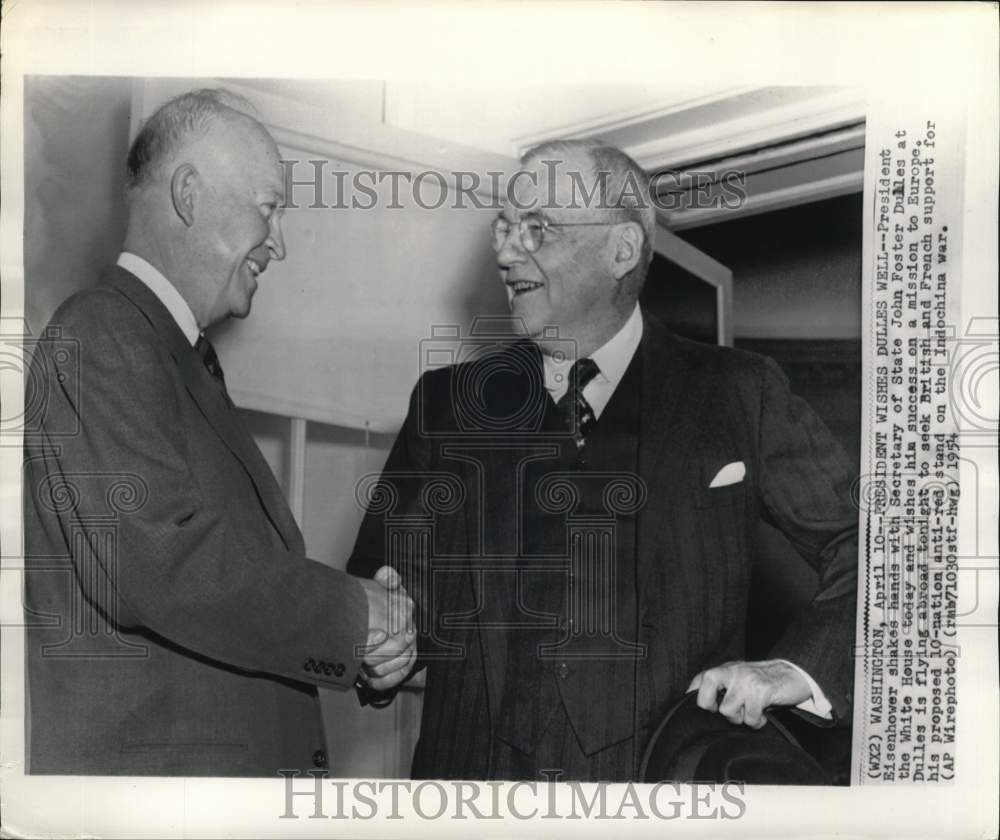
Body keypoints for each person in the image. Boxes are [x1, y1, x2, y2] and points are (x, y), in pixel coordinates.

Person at [348, 138, 858, 781]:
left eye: (537, 229)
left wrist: (797, 668)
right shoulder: (446, 404)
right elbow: (378, 587)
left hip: (654, 796)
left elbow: (874, 543)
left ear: (621, 249)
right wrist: (383, 645)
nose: (506, 252)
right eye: (504, 228)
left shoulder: (739, 392)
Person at [23, 89, 416, 777]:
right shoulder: (101, 332)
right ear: (189, 195)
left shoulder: (174, 356)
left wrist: (366, 645)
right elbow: (165, 564)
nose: (281, 244)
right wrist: (357, 617)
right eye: (268, 209)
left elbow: (224, 596)